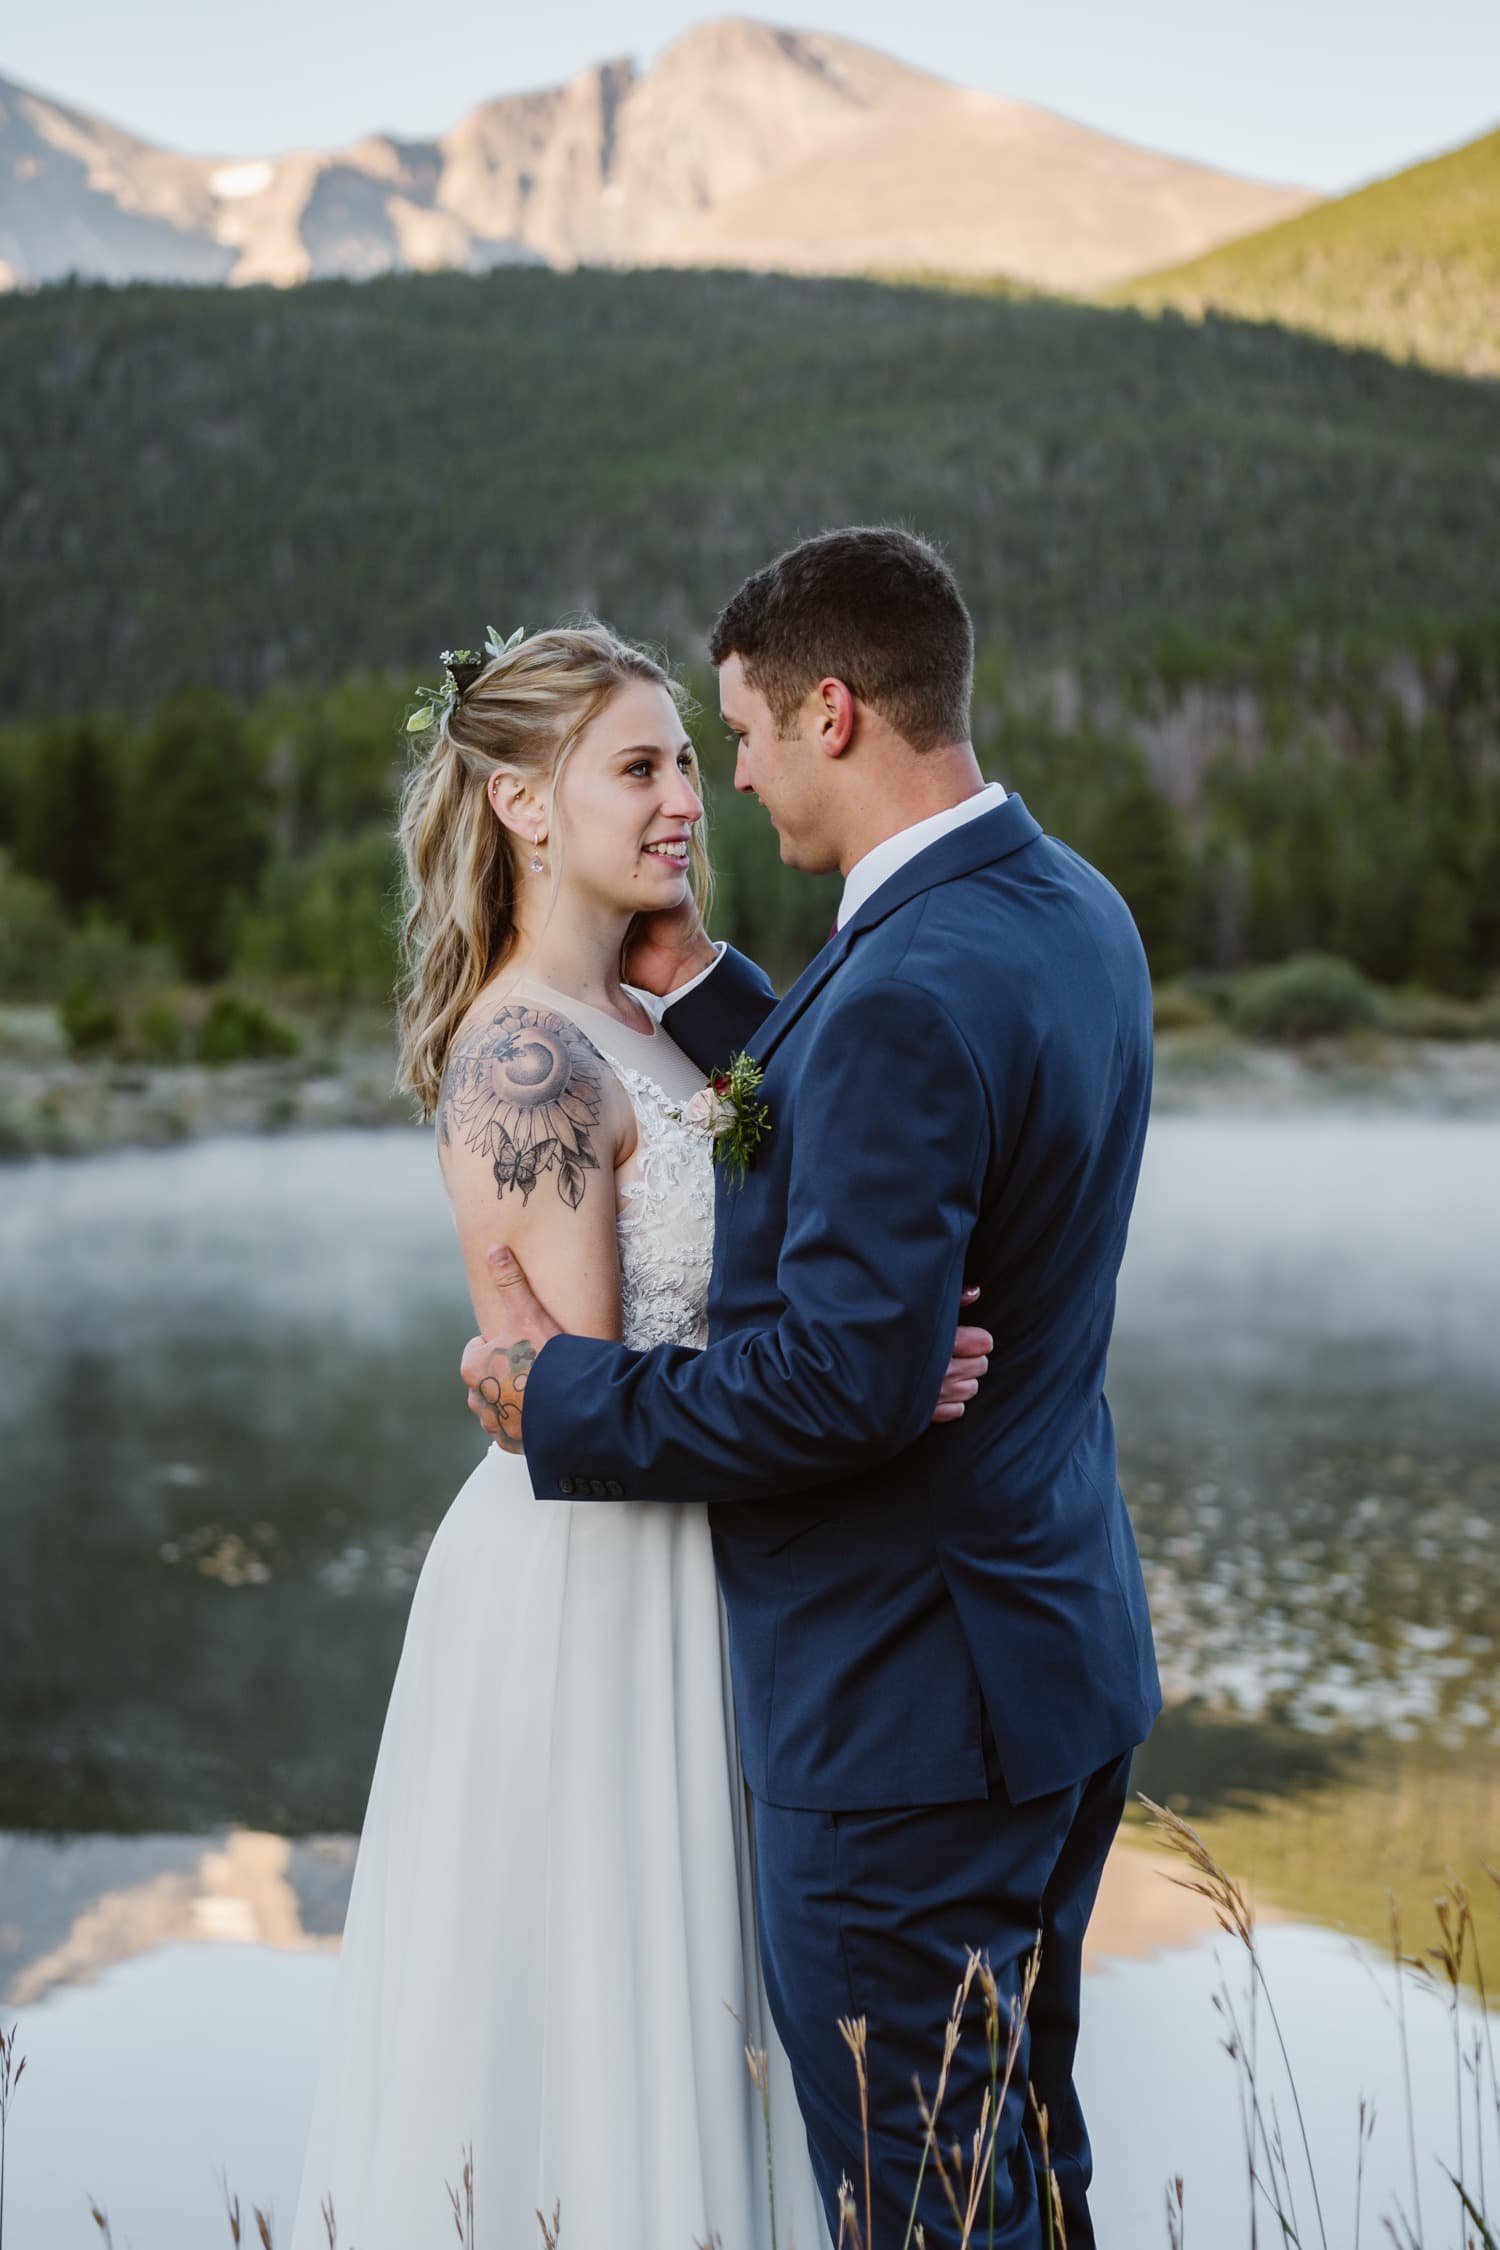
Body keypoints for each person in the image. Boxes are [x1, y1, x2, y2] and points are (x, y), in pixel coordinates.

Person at [463, 529, 1163, 2249]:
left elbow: (843, 1388)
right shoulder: (1066, 910)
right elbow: (874, 1087)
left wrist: (560, 1401)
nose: (731, 785)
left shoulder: (907, 989)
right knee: (1028, 2173)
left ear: (833, 712)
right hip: (1051, 1665)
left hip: (907, 1719)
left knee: (931, 2210)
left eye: (744, 735)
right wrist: (713, 998)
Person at [289, 620, 986, 2249]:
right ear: (524, 803)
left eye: (687, 758)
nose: (687, 797)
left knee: (702, 2012)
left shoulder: (648, 1023)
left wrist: (866, 1348)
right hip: (588, 1582)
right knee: (598, 2019)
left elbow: (784, 1204)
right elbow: (594, 1392)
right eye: (641, 765)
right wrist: (870, 1385)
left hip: (694, 1559)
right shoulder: (526, 1049)